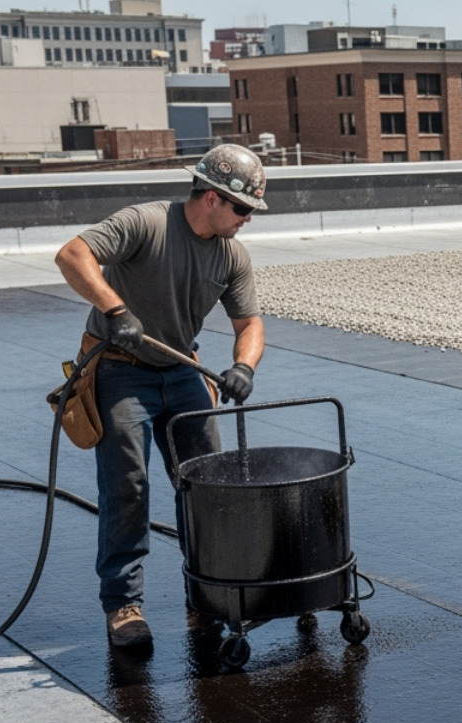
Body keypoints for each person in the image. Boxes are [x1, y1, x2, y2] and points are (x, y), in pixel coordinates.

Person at [54, 143, 268, 647]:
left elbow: (250, 322)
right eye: (243, 209)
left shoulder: (231, 255)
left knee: (205, 485)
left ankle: (206, 594)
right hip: (121, 370)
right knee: (128, 484)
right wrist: (113, 309)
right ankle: (123, 605)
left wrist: (243, 365)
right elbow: (72, 255)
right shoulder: (146, 223)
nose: (248, 220)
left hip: (181, 370)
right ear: (212, 198)